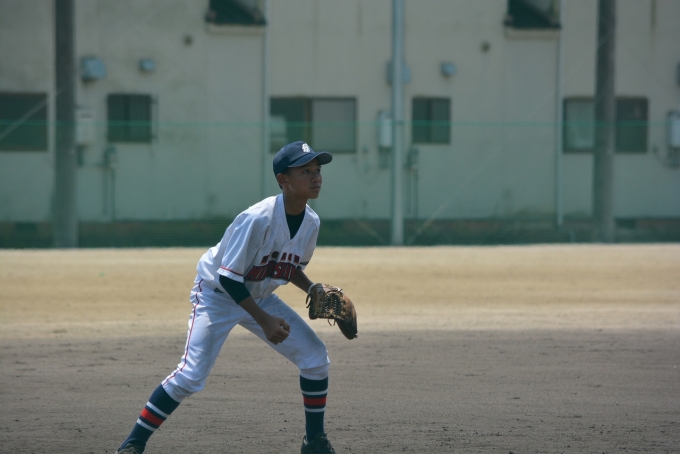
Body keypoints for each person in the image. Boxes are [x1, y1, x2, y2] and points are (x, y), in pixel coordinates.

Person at [116, 141, 337, 454]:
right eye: (305, 171)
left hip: (259, 296)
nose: (315, 177)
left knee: (315, 359)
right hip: (217, 296)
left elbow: (287, 267)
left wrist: (311, 288)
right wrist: (265, 320)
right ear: (283, 180)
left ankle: (314, 442)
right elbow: (228, 278)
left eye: (317, 170)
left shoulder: (311, 222)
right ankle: (132, 444)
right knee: (190, 376)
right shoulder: (257, 219)